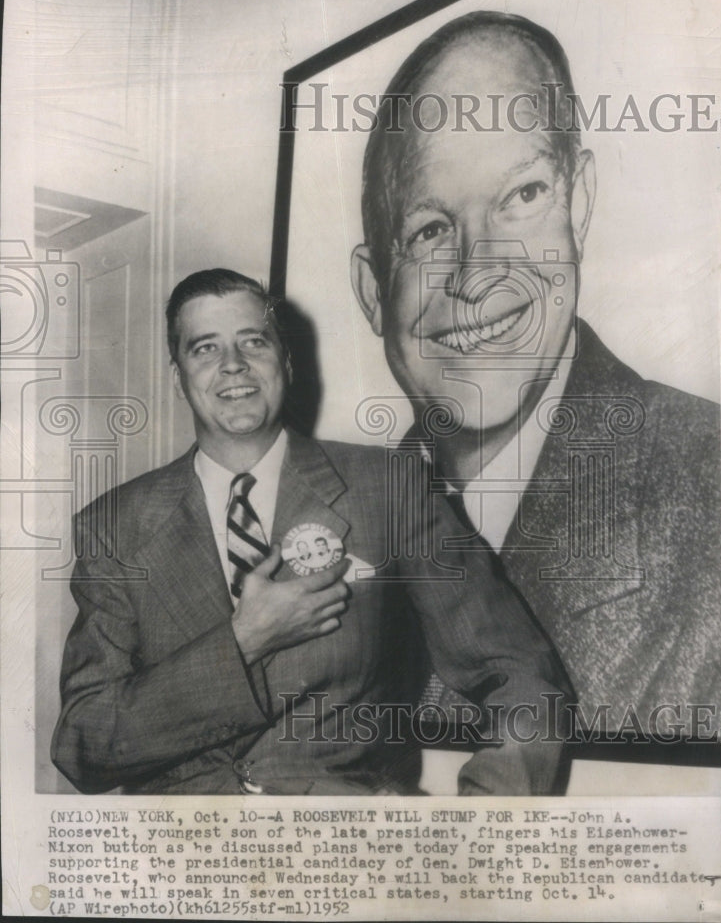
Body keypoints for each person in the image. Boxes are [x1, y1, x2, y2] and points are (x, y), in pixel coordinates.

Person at [51, 268, 570, 796]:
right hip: (181, 862)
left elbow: (521, 675)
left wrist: (481, 831)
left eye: (253, 341)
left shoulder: (389, 487)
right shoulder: (115, 526)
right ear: (177, 376)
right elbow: (84, 744)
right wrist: (242, 641)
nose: (233, 365)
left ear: (286, 360)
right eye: (204, 348)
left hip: (344, 859)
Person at [351, 12, 721, 741]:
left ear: (578, 204)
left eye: (521, 197)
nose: (477, 274)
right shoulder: (325, 522)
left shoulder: (714, 483)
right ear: (373, 292)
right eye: (428, 230)